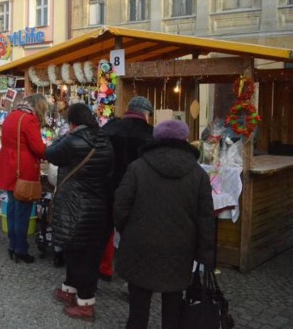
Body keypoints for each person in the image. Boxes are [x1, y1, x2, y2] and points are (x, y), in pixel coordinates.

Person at [114, 119, 216, 329]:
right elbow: (206, 218)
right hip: (180, 250)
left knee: (137, 311)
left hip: (139, 246)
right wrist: (206, 254)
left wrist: (127, 230)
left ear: (156, 139)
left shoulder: (137, 167)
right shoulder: (198, 174)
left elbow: (120, 206)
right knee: (173, 306)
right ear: (185, 140)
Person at [46, 103, 115, 322]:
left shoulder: (73, 141)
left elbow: (50, 153)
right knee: (85, 252)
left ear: (72, 122)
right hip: (98, 205)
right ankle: (70, 289)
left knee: (78, 254)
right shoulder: (105, 140)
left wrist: (65, 135)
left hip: (75, 205)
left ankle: (85, 304)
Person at [98, 95, 155, 282]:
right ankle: (132, 276)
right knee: (132, 235)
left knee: (104, 230)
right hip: (136, 190)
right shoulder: (150, 134)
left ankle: (104, 269)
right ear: (146, 114)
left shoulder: (110, 128)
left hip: (106, 186)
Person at [0, 93, 48, 264]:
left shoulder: (12, 115)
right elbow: (39, 148)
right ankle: (21, 249)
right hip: (22, 169)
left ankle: (12, 244)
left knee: (11, 207)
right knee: (22, 210)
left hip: (8, 166)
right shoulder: (29, 119)